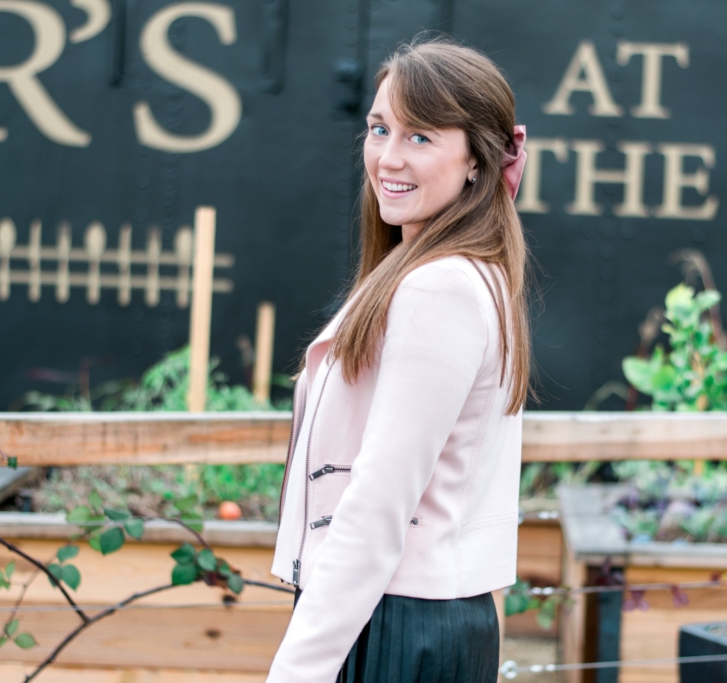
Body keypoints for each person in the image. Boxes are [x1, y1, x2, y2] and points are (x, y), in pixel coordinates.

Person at [267, 37, 531, 683]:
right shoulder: (467, 275)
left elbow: (379, 504)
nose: (388, 156)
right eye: (380, 129)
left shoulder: (438, 286)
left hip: (391, 622)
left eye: (420, 137)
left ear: (478, 158)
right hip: (414, 618)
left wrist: (296, 671)